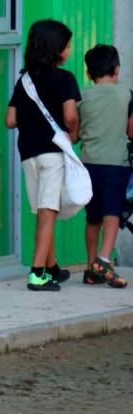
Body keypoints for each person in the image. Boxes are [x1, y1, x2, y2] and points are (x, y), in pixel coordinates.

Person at [6, 19, 78, 291]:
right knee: (48, 213)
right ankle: (37, 274)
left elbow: (10, 120)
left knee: (43, 209)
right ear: (56, 48)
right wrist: (73, 133)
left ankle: (52, 267)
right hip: (53, 153)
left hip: (28, 154)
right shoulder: (65, 79)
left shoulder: (24, 80)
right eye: (67, 45)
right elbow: (70, 115)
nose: (69, 50)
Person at [78, 44, 132, 288]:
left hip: (88, 164)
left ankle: (91, 268)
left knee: (93, 218)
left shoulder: (82, 96)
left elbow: (75, 131)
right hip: (116, 164)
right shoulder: (127, 95)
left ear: (89, 73)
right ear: (117, 69)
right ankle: (103, 260)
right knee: (112, 214)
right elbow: (131, 131)